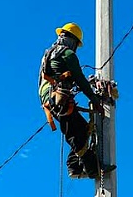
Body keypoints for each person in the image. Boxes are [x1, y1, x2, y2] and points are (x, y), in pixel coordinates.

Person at [38, 22, 106, 179]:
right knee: (78, 132)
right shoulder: (67, 53)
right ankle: (94, 169)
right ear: (73, 41)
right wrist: (95, 101)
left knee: (80, 128)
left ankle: (75, 167)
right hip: (58, 99)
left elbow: (64, 77)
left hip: (50, 98)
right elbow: (79, 79)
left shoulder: (49, 53)